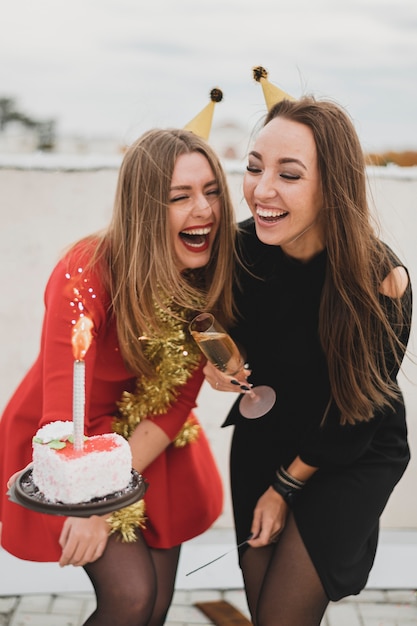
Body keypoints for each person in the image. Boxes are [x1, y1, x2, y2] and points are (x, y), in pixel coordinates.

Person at [0, 122, 238, 625]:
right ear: (144, 209)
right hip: (73, 442)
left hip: (148, 442)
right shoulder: (84, 274)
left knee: (153, 604)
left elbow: (175, 404)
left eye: (212, 191)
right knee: (130, 596)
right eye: (181, 196)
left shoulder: (208, 277)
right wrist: (91, 507)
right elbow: (64, 414)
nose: (204, 210)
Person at [203, 94, 413, 625]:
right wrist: (220, 362)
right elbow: (223, 327)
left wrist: (284, 488)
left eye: (289, 175)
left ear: (333, 187)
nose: (261, 190)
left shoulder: (380, 283)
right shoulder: (242, 250)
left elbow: (356, 414)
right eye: (254, 167)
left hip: (350, 445)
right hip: (267, 432)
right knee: (262, 602)